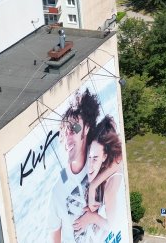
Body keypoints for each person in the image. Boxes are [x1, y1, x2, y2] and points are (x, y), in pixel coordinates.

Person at [49, 89, 100, 243]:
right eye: (65, 131)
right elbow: (55, 233)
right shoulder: (57, 190)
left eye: (74, 129)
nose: (68, 136)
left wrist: (94, 217)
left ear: (86, 128)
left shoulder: (100, 162)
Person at [73, 116, 125, 241]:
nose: (89, 165)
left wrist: (92, 217)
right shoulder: (105, 169)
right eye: (89, 157)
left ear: (104, 157)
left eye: (95, 158)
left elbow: (114, 226)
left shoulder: (110, 190)